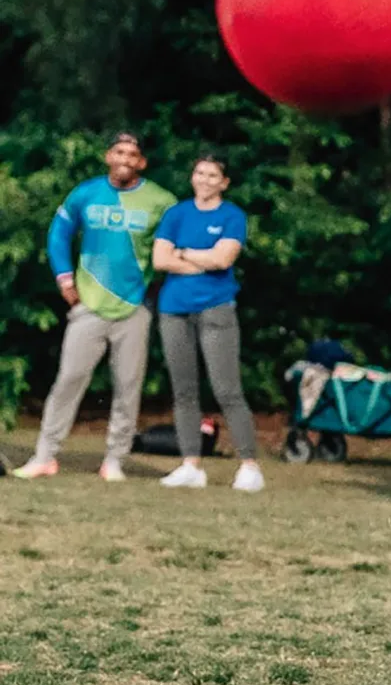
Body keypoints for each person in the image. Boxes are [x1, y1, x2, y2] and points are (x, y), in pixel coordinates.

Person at [12, 132, 176, 481]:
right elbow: (59, 234)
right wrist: (64, 280)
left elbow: (170, 251)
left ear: (142, 163)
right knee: (69, 379)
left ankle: (115, 460)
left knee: (128, 385)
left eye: (133, 154)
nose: (125, 159)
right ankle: (45, 456)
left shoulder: (161, 201)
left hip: (134, 307)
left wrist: (153, 296)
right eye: (119, 152)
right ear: (108, 156)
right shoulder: (86, 192)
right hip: (88, 303)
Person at [151, 154, 262, 492]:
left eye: (212, 175)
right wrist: (201, 259)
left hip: (216, 309)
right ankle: (190, 464)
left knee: (226, 388)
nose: (204, 179)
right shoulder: (176, 213)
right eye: (199, 172)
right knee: (183, 391)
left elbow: (223, 259)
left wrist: (183, 254)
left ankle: (249, 466)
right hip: (174, 309)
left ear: (223, 183)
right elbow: (159, 260)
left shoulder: (232, 216)